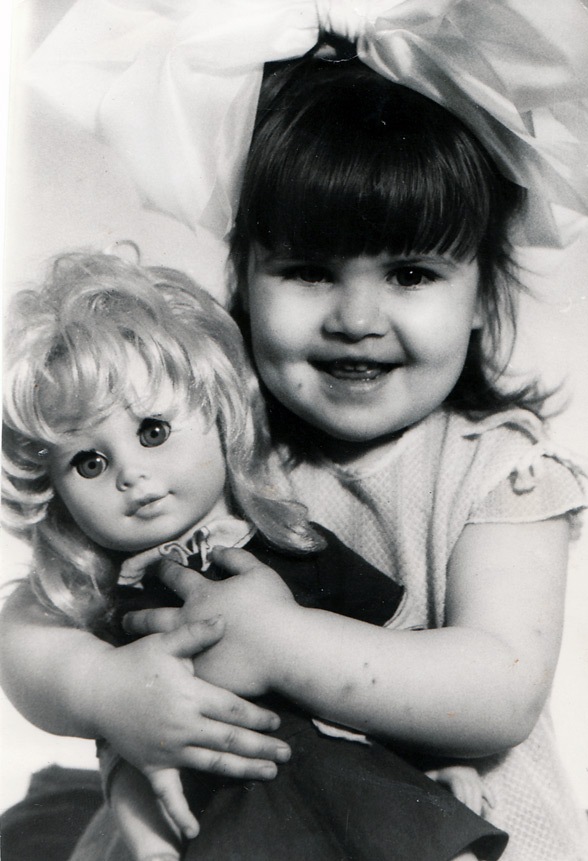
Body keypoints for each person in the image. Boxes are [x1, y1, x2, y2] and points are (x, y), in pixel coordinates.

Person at [3, 2, 588, 860]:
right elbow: (27, 624)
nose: (357, 317)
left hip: (440, 822)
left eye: (411, 272)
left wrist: (277, 645)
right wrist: (103, 688)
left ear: (481, 293)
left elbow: (500, 690)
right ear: (242, 275)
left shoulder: (496, 472)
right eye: (309, 271)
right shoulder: (206, 449)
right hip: (227, 821)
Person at [1, 250, 507, 861]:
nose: (131, 474)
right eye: (89, 463)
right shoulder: (118, 604)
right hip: (225, 820)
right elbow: (122, 756)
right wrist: (149, 844)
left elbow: (397, 651)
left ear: (219, 411)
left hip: (351, 781)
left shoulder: (283, 542)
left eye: (153, 431)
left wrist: (436, 758)